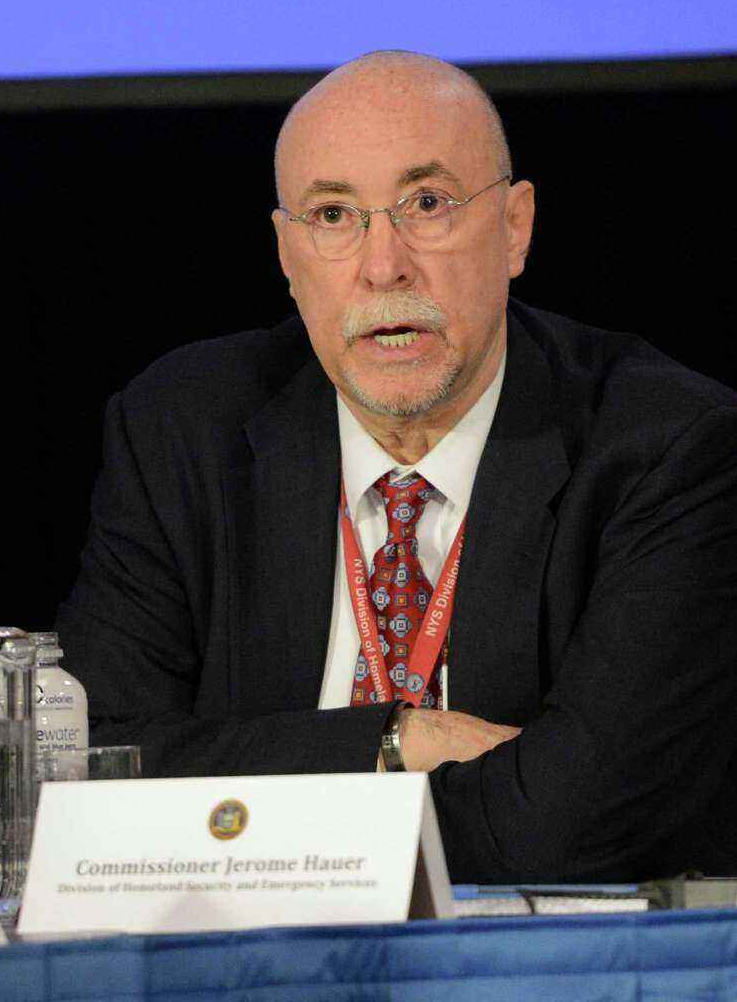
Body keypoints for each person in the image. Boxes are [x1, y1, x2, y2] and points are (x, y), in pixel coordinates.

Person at [56, 51, 737, 884]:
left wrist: (248, 814)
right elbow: (94, 770)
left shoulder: (666, 447)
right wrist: (389, 741)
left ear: (515, 228)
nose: (384, 266)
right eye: (335, 215)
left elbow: (575, 827)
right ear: (286, 255)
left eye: (427, 204)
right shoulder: (181, 431)